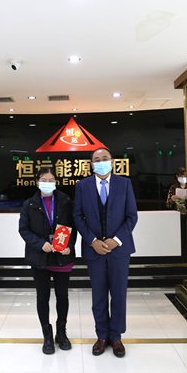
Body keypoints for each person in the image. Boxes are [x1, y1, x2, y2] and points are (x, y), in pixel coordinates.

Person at [73, 148, 138, 358]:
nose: (101, 162)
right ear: (91, 164)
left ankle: (116, 336)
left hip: (119, 250)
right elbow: (77, 216)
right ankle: (101, 336)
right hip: (94, 251)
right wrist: (92, 241)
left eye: (105, 159)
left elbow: (131, 216)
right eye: (97, 160)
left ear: (112, 161)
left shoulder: (124, 184)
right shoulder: (82, 186)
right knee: (98, 294)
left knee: (119, 294)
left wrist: (116, 240)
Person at [18, 167, 77, 354]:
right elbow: (24, 230)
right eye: (44, 180)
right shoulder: (29, 204)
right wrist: (40, 243)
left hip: (61, 256)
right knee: (43, 297)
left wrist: (70, 245)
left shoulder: (66, 201)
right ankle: (47, 335)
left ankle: (61, 332)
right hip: (40, 257)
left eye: (51, 180)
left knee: (62, 296)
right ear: (37, 182)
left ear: (56, 182)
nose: (47, 183)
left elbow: (74, 226)